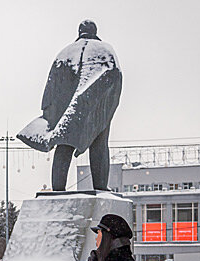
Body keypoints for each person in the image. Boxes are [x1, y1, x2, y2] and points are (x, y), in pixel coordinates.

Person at [17, 20, 122, 191]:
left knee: (63, 144)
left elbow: (51, 87)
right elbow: (115, 78)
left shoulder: (64, 53)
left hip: (67, 110)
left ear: (79, 32)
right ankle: (101, 187)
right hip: (96, 108)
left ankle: (58, 188)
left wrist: (49, 114)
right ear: (95, 32)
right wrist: (105, 107)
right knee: (99, 144)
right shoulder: (106, 50)